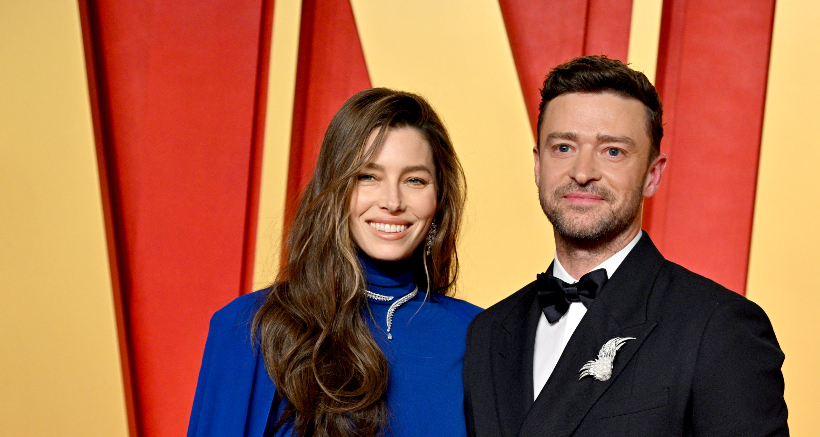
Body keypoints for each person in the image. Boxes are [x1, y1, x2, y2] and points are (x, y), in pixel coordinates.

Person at [463, 56, 788, 436]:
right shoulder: (487, 331)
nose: (583, 172)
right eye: (564, 147)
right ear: (538, 166)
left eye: (612, 151)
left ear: (652, 174)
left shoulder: (718, 328)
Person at [188, 88, 481, 437]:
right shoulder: (250, 328)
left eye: (415, 180)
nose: (392, 201)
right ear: (335, 189)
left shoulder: (479, 334)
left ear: (439, 199)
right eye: (367, 176)